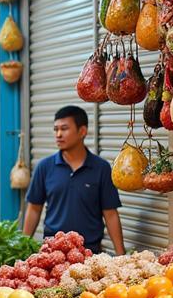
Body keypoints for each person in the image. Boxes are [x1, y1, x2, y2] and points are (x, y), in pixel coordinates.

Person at [22, 105, 124, 255]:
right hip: (53, 253)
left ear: (82, 131)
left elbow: (110, 213)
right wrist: (23, 247)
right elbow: (34, 209)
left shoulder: (101, 168)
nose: (58, 134)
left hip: (89, 253)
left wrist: (121, 255)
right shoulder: (44, 167)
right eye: (55, 129)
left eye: (64, 129)